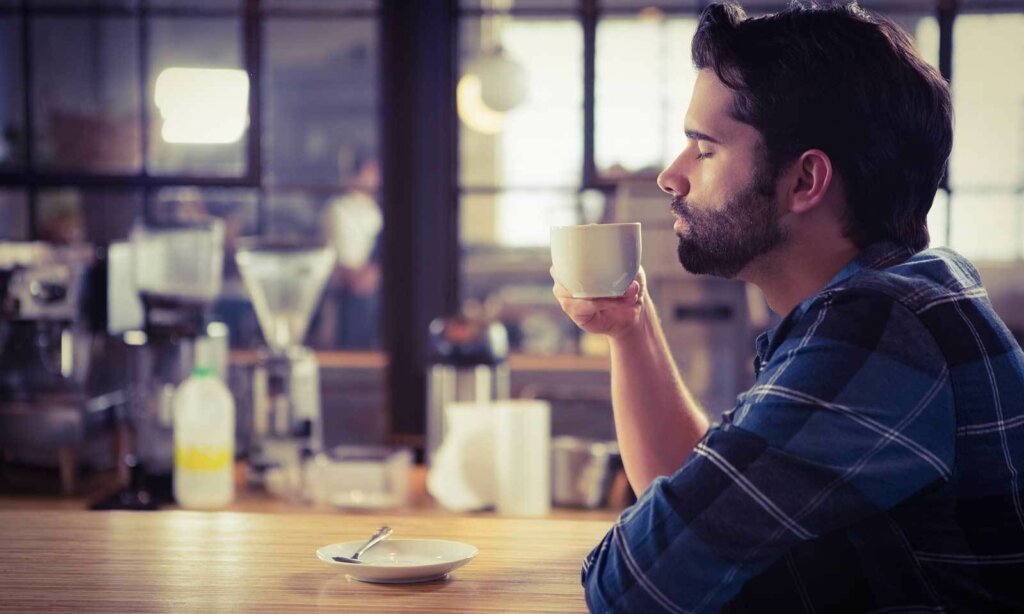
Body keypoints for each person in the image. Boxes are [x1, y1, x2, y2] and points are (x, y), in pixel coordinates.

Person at [553, 3, 1024, 612]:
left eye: (704, 148)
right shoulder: (903, 294)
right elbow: (708, 503)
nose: (671, 176)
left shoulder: (878, 332)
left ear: (805, 182)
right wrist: (630, 326)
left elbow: (634, 585)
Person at [321, 150, 382, 349]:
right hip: (347, 302)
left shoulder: (374, 210)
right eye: (372, 170)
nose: (377, 176)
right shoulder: (339, 210)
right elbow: (353, 278)